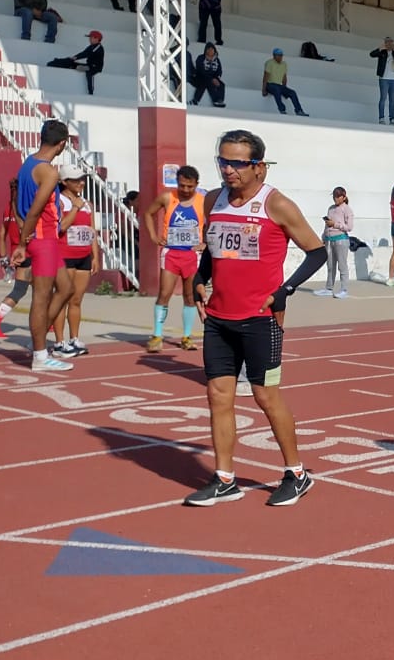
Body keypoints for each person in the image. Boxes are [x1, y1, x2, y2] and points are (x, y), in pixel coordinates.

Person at [184, 130, 326, 507]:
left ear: (259, 167)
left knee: (265, 396)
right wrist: (200, 279)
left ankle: (296, 473)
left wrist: (286, 290)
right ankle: (225, 478)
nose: (228, 170)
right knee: (218, 396)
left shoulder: (276, 204)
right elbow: (212, 253)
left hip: (261, 318)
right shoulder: (213, 200)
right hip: (219, 316)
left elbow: (316, 252)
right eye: (222, 161)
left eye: (237, 163)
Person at [10, 120, 80, 371]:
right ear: (62, 144)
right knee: (41, 298)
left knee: (66, 288)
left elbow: (19, 203)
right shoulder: (48, 172)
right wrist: (21, 243)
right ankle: (40, 355)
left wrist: (23, 236)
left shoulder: (28, 163)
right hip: (42, 240)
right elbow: (34, 210)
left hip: (43, 239)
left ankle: (37, 339)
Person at [142, 166, 206, 350]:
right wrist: (153, 236)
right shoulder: (167, 198)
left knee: (189, 296)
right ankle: (157, 335)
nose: (185, 190)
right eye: (182, 185)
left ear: (196, 185)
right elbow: (147, 213)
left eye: (189, 186)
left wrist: (206, 243)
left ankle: (186, 337)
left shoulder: (202, 201)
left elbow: (214, 222)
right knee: (164, 293)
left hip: (192, 255)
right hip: (171, 253)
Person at [51, 164, 99, 356]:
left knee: (77, 299)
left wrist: (95, 255)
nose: (81, 183)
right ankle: (59, 342)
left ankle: (74, 338)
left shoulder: (88, 204)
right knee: (62, 298)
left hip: (83, 257)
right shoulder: (58, 201)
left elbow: (91, 230)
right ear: (64, 182)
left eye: (82, 179)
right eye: (76, 180)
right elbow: (61, 226)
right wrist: (75, 208)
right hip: (65, 256)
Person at [0, 179, 32, 339]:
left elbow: (1, 234)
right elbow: (24, 228)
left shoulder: (8, 208)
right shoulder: (25, 208)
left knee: (20, 290)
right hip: (29, 253)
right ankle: (48, 324)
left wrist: (3, 257)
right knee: (43, 291)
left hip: (15, 254)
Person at [316, 187, 354, 298]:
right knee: (330, 265)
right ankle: (329, 288)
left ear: (344, 197)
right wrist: (323, 237)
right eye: (334, 196)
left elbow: (349, 227)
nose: (335, 199)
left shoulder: (347, 209)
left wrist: (335, 225)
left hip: (341, 239)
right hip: (329, 239)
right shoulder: (331, 208)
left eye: (338, 196)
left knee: (342, 265)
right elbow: (327, 224)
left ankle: (344, 289)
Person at [47, 30, 105, 95]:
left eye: (91, 38)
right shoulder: (91, 46)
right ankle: (57, 62)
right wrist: (74, 57)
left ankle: (90, 93)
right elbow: (83, 53)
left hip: (95, 68)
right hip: (89, 65)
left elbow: (86, 54)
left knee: (88, 74)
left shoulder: (98, 47)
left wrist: (76, 57)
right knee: (72, 63)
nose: (89, 39)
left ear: (97, 39)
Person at [371, 36, 394, 125]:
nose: (389, 44)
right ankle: (381, 118)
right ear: (385, 43)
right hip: (384, 79)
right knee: (383, 98)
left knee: (392, 100)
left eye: (391, 42)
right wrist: (380, 48)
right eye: (387, 42)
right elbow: (372, 54)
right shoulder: (382, 52)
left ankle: (392, 119)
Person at [262, 49, 308, 117]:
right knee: (277, 90)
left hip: (279, 85)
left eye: (281, 55)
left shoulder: (284, 64)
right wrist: (264, 89)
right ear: (274, 55)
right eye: (278, 55)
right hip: (270, 84)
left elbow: (284, 77)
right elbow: (265, 77)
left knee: (292, 92)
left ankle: (299, 111)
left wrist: (284, 89)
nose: (280, 57)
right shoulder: (269, 63)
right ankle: (282, 110)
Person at [188, 43, 227, 107]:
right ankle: (197, 100)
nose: (210, 51)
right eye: (208, 49)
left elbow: (219, 70)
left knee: (222, 85)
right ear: (205, 50)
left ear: (215, 50)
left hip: (214, 78)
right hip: (201, 77)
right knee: (207, 83)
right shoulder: (201, 58)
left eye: (212, 49)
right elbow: (200, 70)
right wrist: (211, 79)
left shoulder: (217, 60)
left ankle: (220, 100)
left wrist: (217, 78)